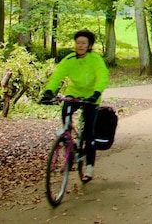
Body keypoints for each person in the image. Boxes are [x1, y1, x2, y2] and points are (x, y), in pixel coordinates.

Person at [40, 29, 109, 182]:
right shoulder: (69, 59)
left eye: (83, 43)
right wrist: (49, 91)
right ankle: (68, 145)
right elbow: (57, 75)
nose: (80, 45)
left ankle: (89, 166)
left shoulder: (95, 59)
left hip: (91, 96)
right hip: (74, 93)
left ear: (89, 45)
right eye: (78, 43)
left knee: (89, 132)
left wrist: (96, 93)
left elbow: (102, 76)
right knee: (65, 115)